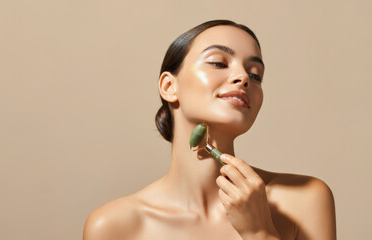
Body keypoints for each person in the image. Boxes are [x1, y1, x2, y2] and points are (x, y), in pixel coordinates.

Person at [83, 20, 336, 240]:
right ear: (169, 86)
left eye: (255, 74)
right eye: (218, 63)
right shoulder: (113, 227)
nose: (243, 77)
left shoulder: (305, 200)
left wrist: (259, 233)